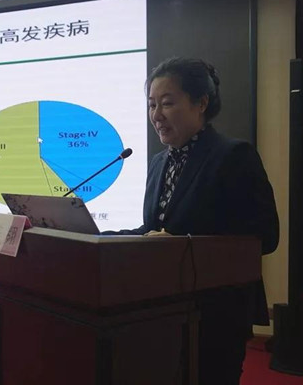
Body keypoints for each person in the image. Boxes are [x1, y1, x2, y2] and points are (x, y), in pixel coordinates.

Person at [109, 57, 279, 385]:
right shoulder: (159, 163)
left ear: (201, 103)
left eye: (167, 103)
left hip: (217, 312)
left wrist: (181, 246)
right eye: (151, 105)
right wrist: (91, 234)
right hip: (163, 309)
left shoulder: (234, 156)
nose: (156, 115)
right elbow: (153, 231)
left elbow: (264, 237)